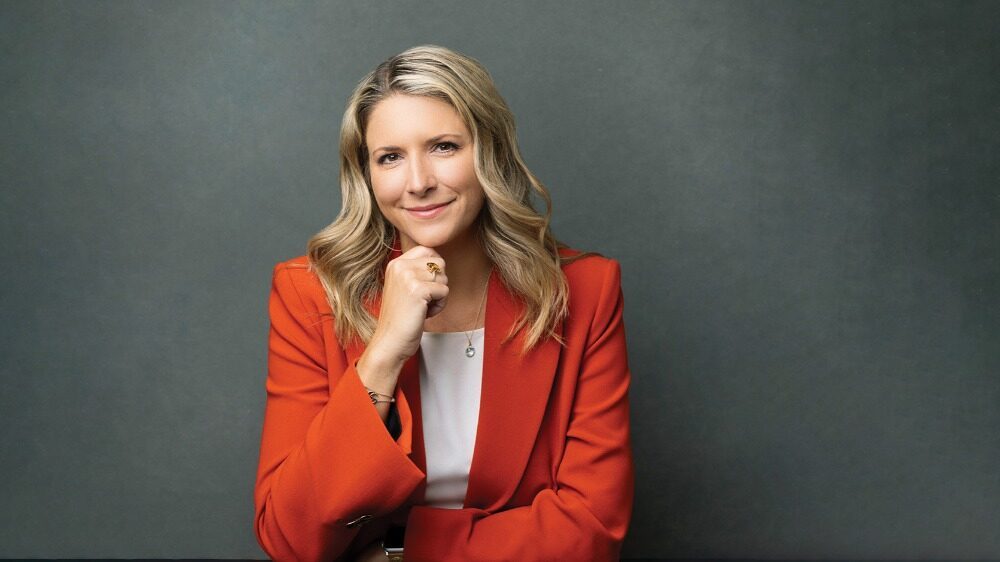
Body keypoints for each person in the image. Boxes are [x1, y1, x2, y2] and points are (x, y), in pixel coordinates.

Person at [253, 44, 634, 562]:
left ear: (489, 153)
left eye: (444, 147)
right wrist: (383, 353)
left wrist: (402, 554)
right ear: (366, 175)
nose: (418, 183)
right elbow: (290, 537)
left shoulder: (586, 290)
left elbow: (591, 529)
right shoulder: (308, 293)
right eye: (390, 157)